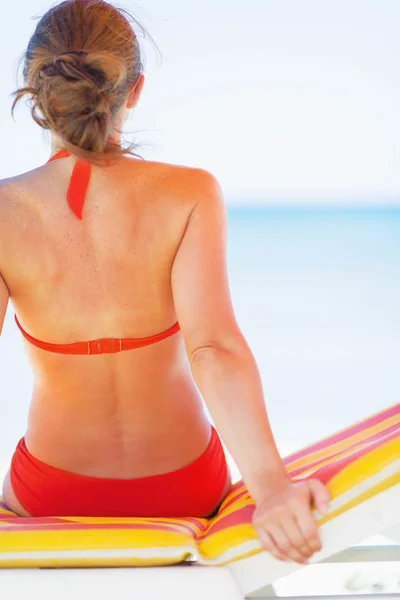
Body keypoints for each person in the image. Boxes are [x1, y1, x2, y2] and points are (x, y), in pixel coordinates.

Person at [0, 0, 330, 565]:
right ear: (133, 90)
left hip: (51, 490)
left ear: (38, 90)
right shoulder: (190, 193)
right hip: (186, 486)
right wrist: (271, 488)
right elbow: (214, 350)